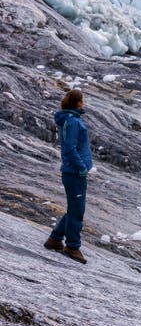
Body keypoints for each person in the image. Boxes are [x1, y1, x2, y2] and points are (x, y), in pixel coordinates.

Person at [44, 90, 93, 264]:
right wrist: (81, 167)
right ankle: (72, 246)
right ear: (78, 103)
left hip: (74, 172)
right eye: (83, 100)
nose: (84, 103)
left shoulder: (73, 120)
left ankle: (55, 239)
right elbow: (69, 148)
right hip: (74, 173)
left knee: (74, 208)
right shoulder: (72, 122)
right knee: (77, 211)